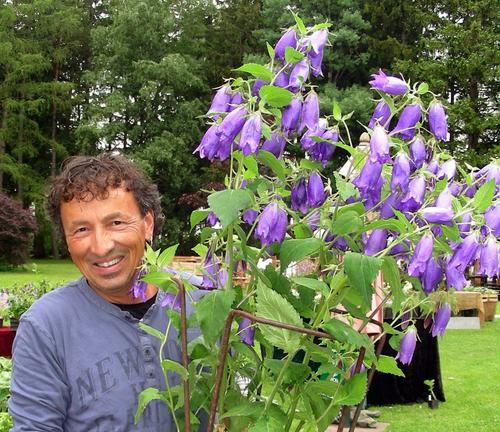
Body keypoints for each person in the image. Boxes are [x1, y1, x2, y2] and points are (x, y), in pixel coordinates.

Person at [8, 153, 200, 431]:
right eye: (81, 229)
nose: (100, 246)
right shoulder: (46, 327)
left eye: (116, 223)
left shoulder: (201, 300)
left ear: (147, 224)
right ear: (66, 240)